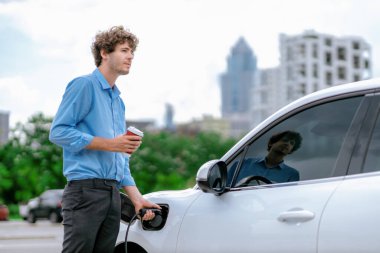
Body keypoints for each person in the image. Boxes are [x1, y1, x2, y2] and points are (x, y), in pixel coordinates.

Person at [49, 26, 160, 253]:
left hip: (112, 195)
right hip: (84, 193)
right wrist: (110, 144)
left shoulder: (118, 102)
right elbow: (58, 131)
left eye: (132, 52)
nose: (130, 56)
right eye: (124, 50)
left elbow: (120, 159)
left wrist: (137, 198)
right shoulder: (84, 85)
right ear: (104, 53)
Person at [233, 130, 302, 185]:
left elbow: (288, 198)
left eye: (292, 143)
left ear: (291, 151)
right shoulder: (242, 164)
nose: (287, 144)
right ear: (271, 143)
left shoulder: (292, 174)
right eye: (285, 140)